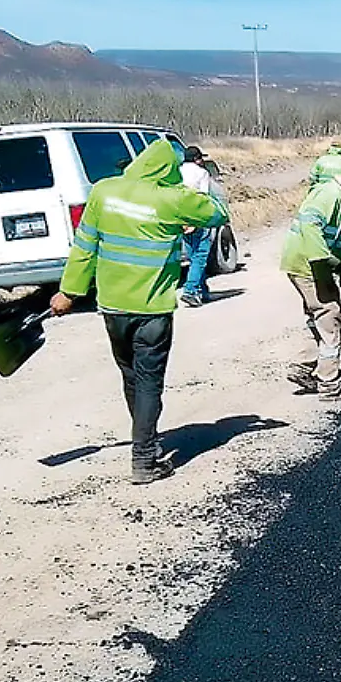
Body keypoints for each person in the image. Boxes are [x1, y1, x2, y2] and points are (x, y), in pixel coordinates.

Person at [51, 139, 226, 484]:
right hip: (152, 310)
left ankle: (147, 441)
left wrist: (68, 291)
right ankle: (144, 458)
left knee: (131, 377)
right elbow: (218, 212)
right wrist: (183, 187)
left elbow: (85, 246)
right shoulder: (173, 200)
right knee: (149, 382)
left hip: (113, 308)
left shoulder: (104, 192)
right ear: (167, 171)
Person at [282, 169, 341, 401]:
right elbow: (309, 224)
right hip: (308, 265)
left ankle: (305, 366)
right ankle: (329, 383)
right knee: (331, 320)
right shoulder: (328, 195)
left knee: (318, 317)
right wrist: (322, 258)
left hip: (309, 265)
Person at [176, 145, 227, 306]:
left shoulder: (177, 172)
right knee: (200, 256)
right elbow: (203, 198)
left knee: (193, 257)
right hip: (197, 217)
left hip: (181, 218)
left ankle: (202, 290)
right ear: (197, 159)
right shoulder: (202, 173)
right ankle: (190, 290)